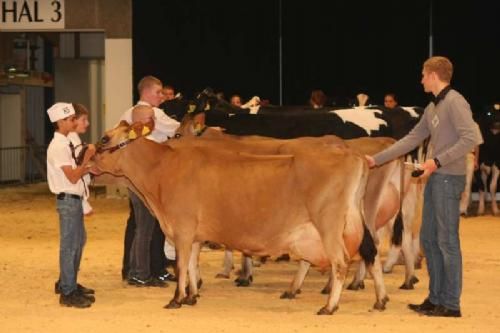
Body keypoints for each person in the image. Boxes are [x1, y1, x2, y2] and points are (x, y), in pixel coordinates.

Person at [366, 56, 483, 318]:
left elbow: (471, 138)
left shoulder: (455, 102)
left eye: (423, 74)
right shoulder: (433, 108)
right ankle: (436, 297)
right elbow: (411, 139)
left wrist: (436, 161)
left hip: (446, 178)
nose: (420, 80)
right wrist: (376, 159)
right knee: (429, 240)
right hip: (433, 179)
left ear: (433, 75)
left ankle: (451, 304)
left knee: (446, 241)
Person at [120, 75, 179, 286]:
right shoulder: (152, 113)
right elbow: (179, 129)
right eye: (158, 92)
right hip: (146, 178)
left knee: (138, 225)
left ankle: (137, 269)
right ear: (146, 92)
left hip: (133, 177)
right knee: (147, 227)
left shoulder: (127, 113)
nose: (161, 97)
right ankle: (142, 272)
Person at [47, 102, 96, 308]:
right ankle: (67, 292)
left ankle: (69, 283)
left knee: (77, 242)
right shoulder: (58, 146)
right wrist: (88, 161)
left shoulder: (66, 142)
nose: (73, 122)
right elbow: (74, 176)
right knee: (69, 247)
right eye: (70, 119)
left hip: (73, 200)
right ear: (60, 122)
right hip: (68, 200)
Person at [67, 104, 93, 216]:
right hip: (72, 196)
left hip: (77, 196)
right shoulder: (71, 141)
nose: (87, 123)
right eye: (84, 120)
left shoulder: (75, 140)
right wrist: (92, 168)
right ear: (73, 120)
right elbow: (74, 173)